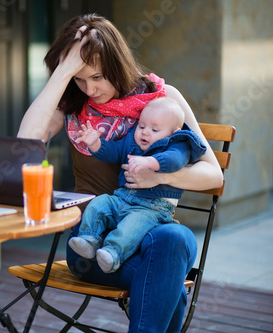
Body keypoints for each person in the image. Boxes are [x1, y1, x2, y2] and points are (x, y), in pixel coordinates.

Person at [17, 13, 223, 333]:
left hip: (149, 230)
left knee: (175, 238)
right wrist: (62, 73)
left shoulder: (162, 99)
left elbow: (214, 175)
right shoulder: (72, 104)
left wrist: (160, 176)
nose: (89, 89)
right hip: (92, 242)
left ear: (116, 64)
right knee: (166, 267)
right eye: (79, 78)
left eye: (97, 77)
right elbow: (24, 147)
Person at [68, 97, 207, 274]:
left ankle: (112, 253)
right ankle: (88, 239)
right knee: (100, 203)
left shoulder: (178, 144)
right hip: (121, 198)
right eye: (142, 126)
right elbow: (114, 152)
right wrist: (96, 145)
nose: (145, 133)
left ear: (174, 132)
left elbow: (175, 161)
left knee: (132, 226)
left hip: (151, 208)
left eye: (154, 129)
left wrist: (150, 161)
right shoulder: (132, 140)